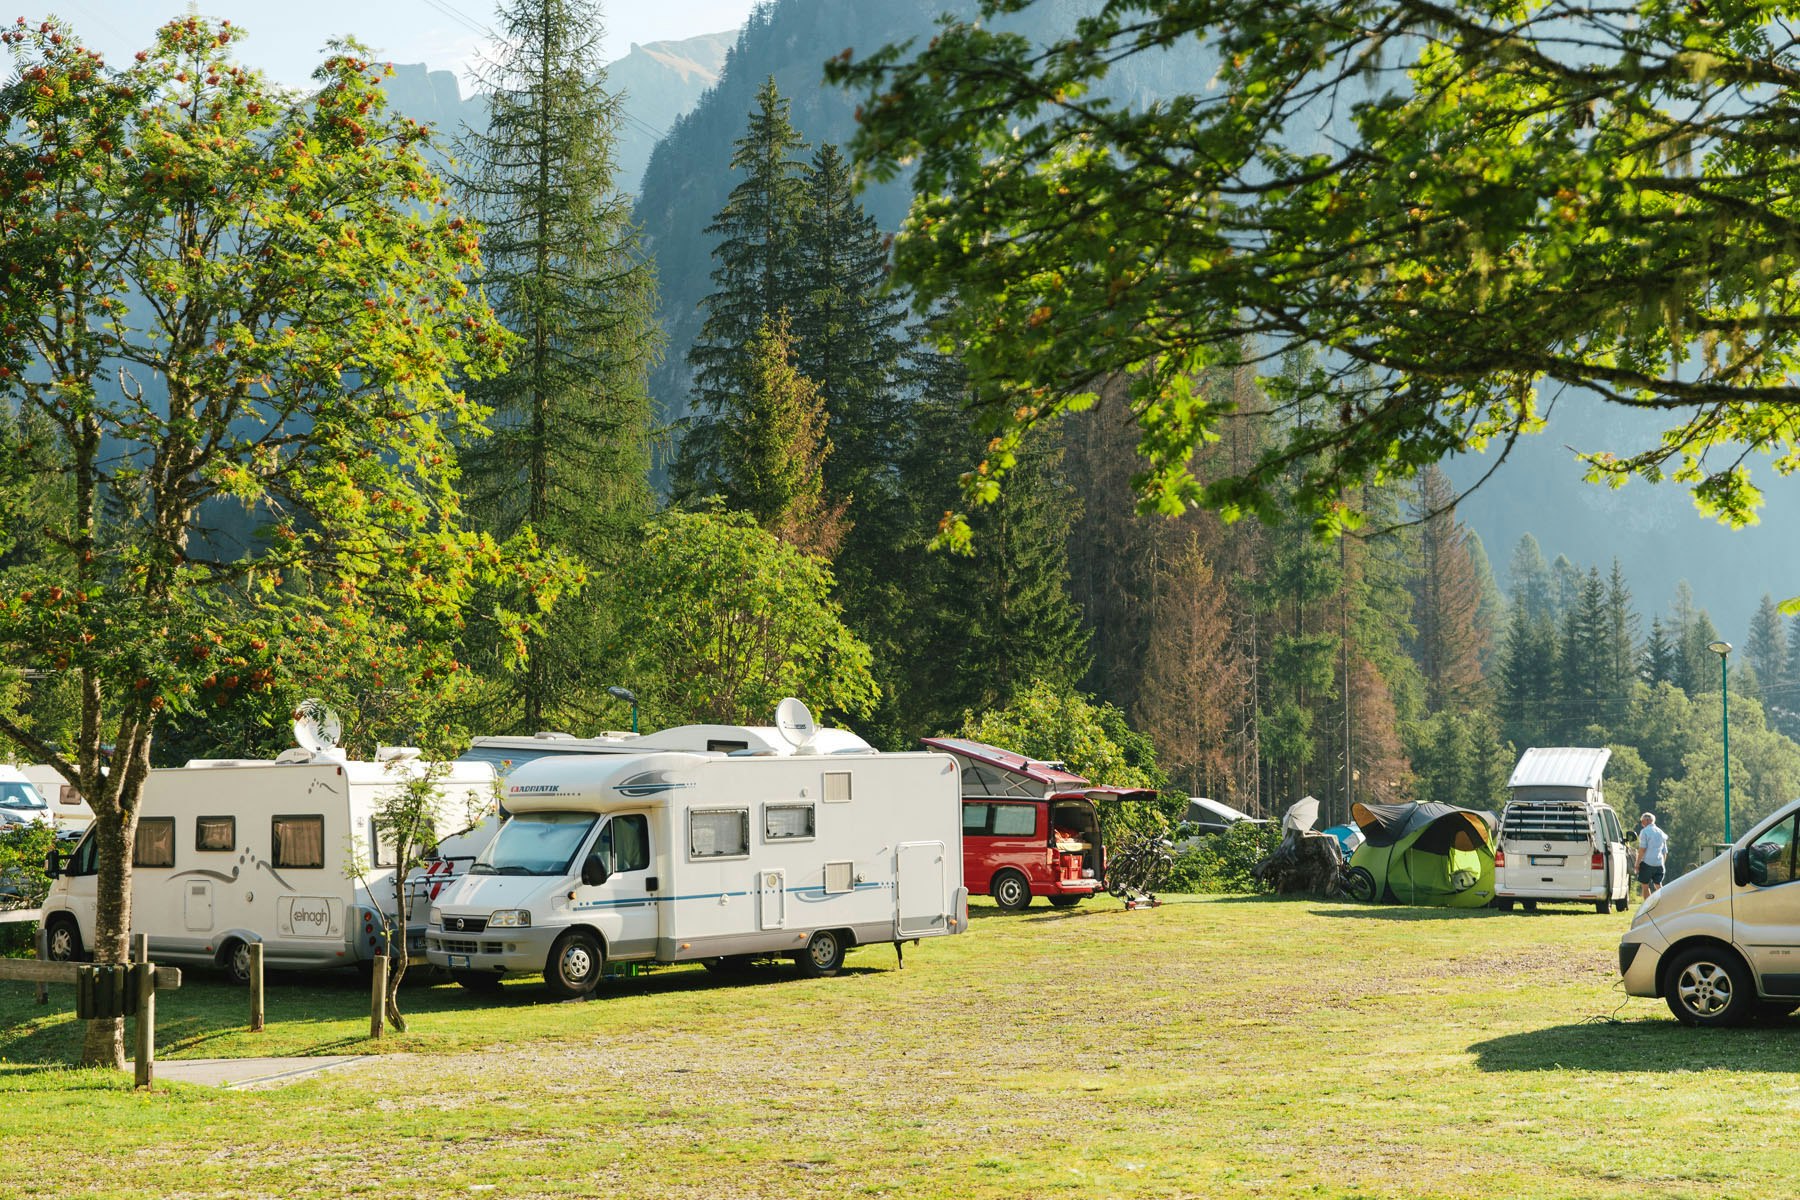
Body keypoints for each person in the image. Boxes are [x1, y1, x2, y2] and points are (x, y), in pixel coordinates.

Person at [1636, 812, 1669, 899]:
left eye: (1642, 821)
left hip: (1647, 862)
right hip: (1659, 863)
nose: (1641, 823)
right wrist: (1662, 864)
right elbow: (1664, 852)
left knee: (1645, 886)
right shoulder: (1661, 832)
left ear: (1647, 820)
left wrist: (1637, 864)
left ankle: (1647, 907)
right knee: (1658, 885)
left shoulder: (1644, 832)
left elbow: (1642, 849)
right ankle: (1663, 903)